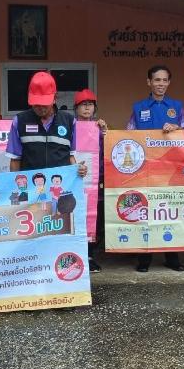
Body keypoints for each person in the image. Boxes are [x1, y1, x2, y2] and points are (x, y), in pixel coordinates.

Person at [126, 64, 184, 272]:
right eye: (156, 80)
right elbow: (129, 135)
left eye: (164, 80)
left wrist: (177, 127)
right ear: (149, 82)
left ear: (169, 83)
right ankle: (144, 259)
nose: (160, 84)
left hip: (170, 169)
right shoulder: (139, 107)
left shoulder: (177, 107)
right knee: (146, 211)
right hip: (145, 169)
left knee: (169, 212)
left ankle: (172, 258)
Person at [72, 88, 107, 272]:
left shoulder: (99, 128)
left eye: (90, 105)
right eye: (83, 105)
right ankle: (74, 253)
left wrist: (106, 133)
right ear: (76, 108)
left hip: (95, 182)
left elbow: (109, 150)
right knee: (73, 217)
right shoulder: (68, 126)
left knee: (95, 219)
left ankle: (90, 255)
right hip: (74, 180)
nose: (87, 108)